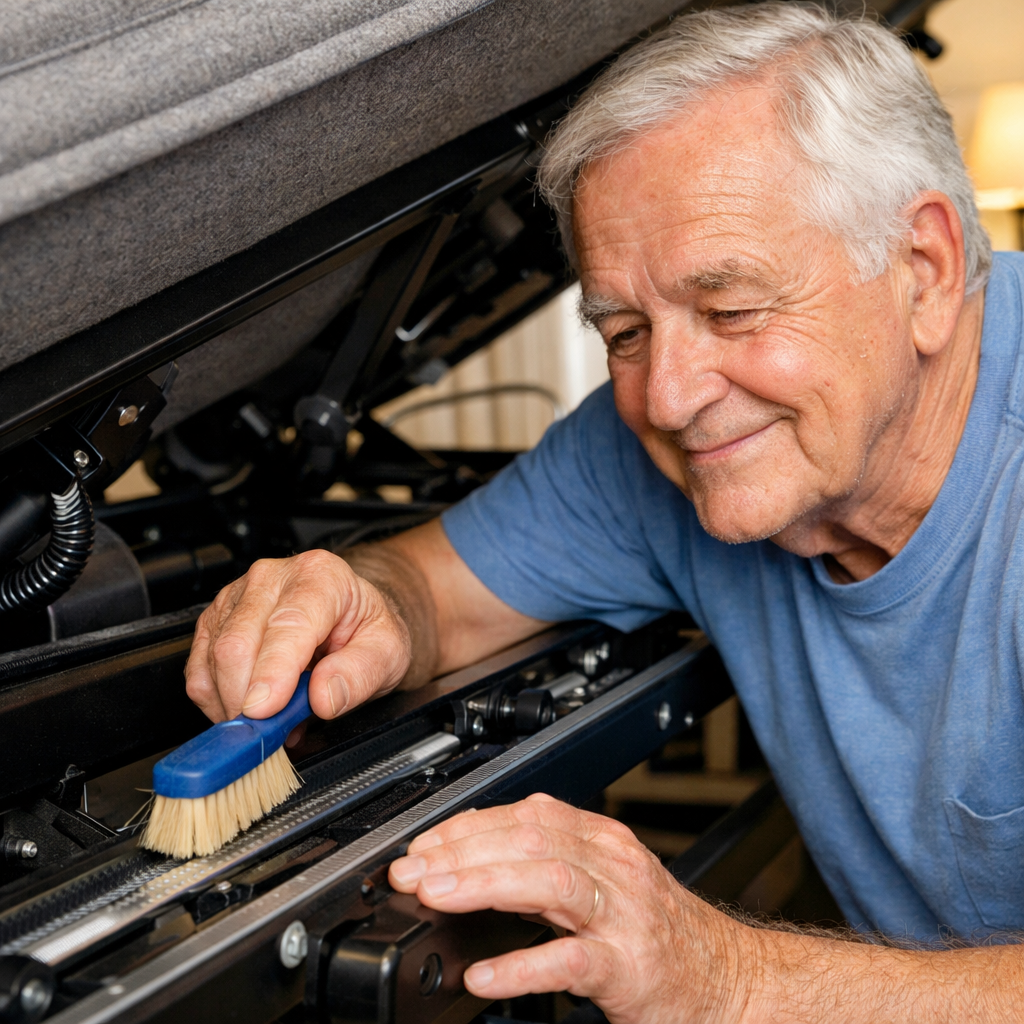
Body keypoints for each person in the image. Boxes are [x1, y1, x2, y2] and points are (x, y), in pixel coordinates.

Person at [184, 4, 1024, 1019]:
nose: (667, 397)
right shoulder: (667, 449)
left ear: (923, 270)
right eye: (624, 330)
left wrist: (726, 978)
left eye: (730, 310)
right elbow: (427, 591)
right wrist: (361, 596)